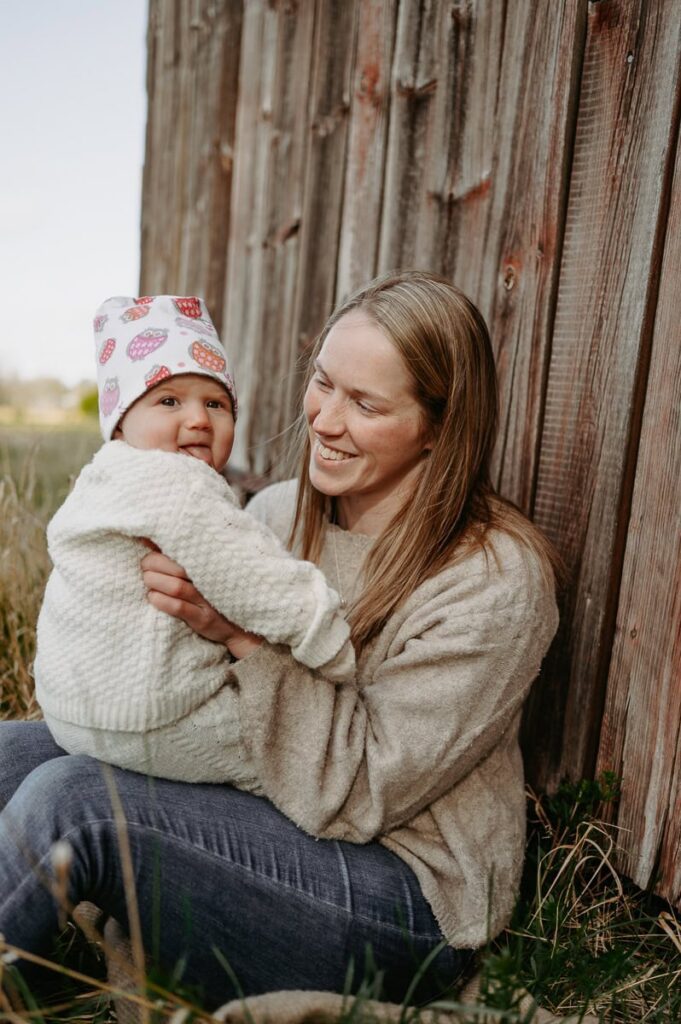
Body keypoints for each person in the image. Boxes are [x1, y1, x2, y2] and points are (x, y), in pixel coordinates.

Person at [0, 270, 560, 1008]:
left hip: (395, 896)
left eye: (363, 404)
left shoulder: (491, 580)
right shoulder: (275, 512)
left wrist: (237, 636)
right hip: (261, 805)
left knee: (74, 804)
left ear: (436, 427)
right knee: (13, 758)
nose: (325, 420)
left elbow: (363, 790)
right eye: (323, 383)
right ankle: (31, 983)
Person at [34, 294, 354, 788]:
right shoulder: (180, 484)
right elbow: (252, 575)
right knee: (281, 760)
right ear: (121, 422)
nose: (200, 419)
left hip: (67, 708)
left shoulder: (98, 479)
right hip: (152, 714)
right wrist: (324, 631)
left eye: (216, 403)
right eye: (169, 401)